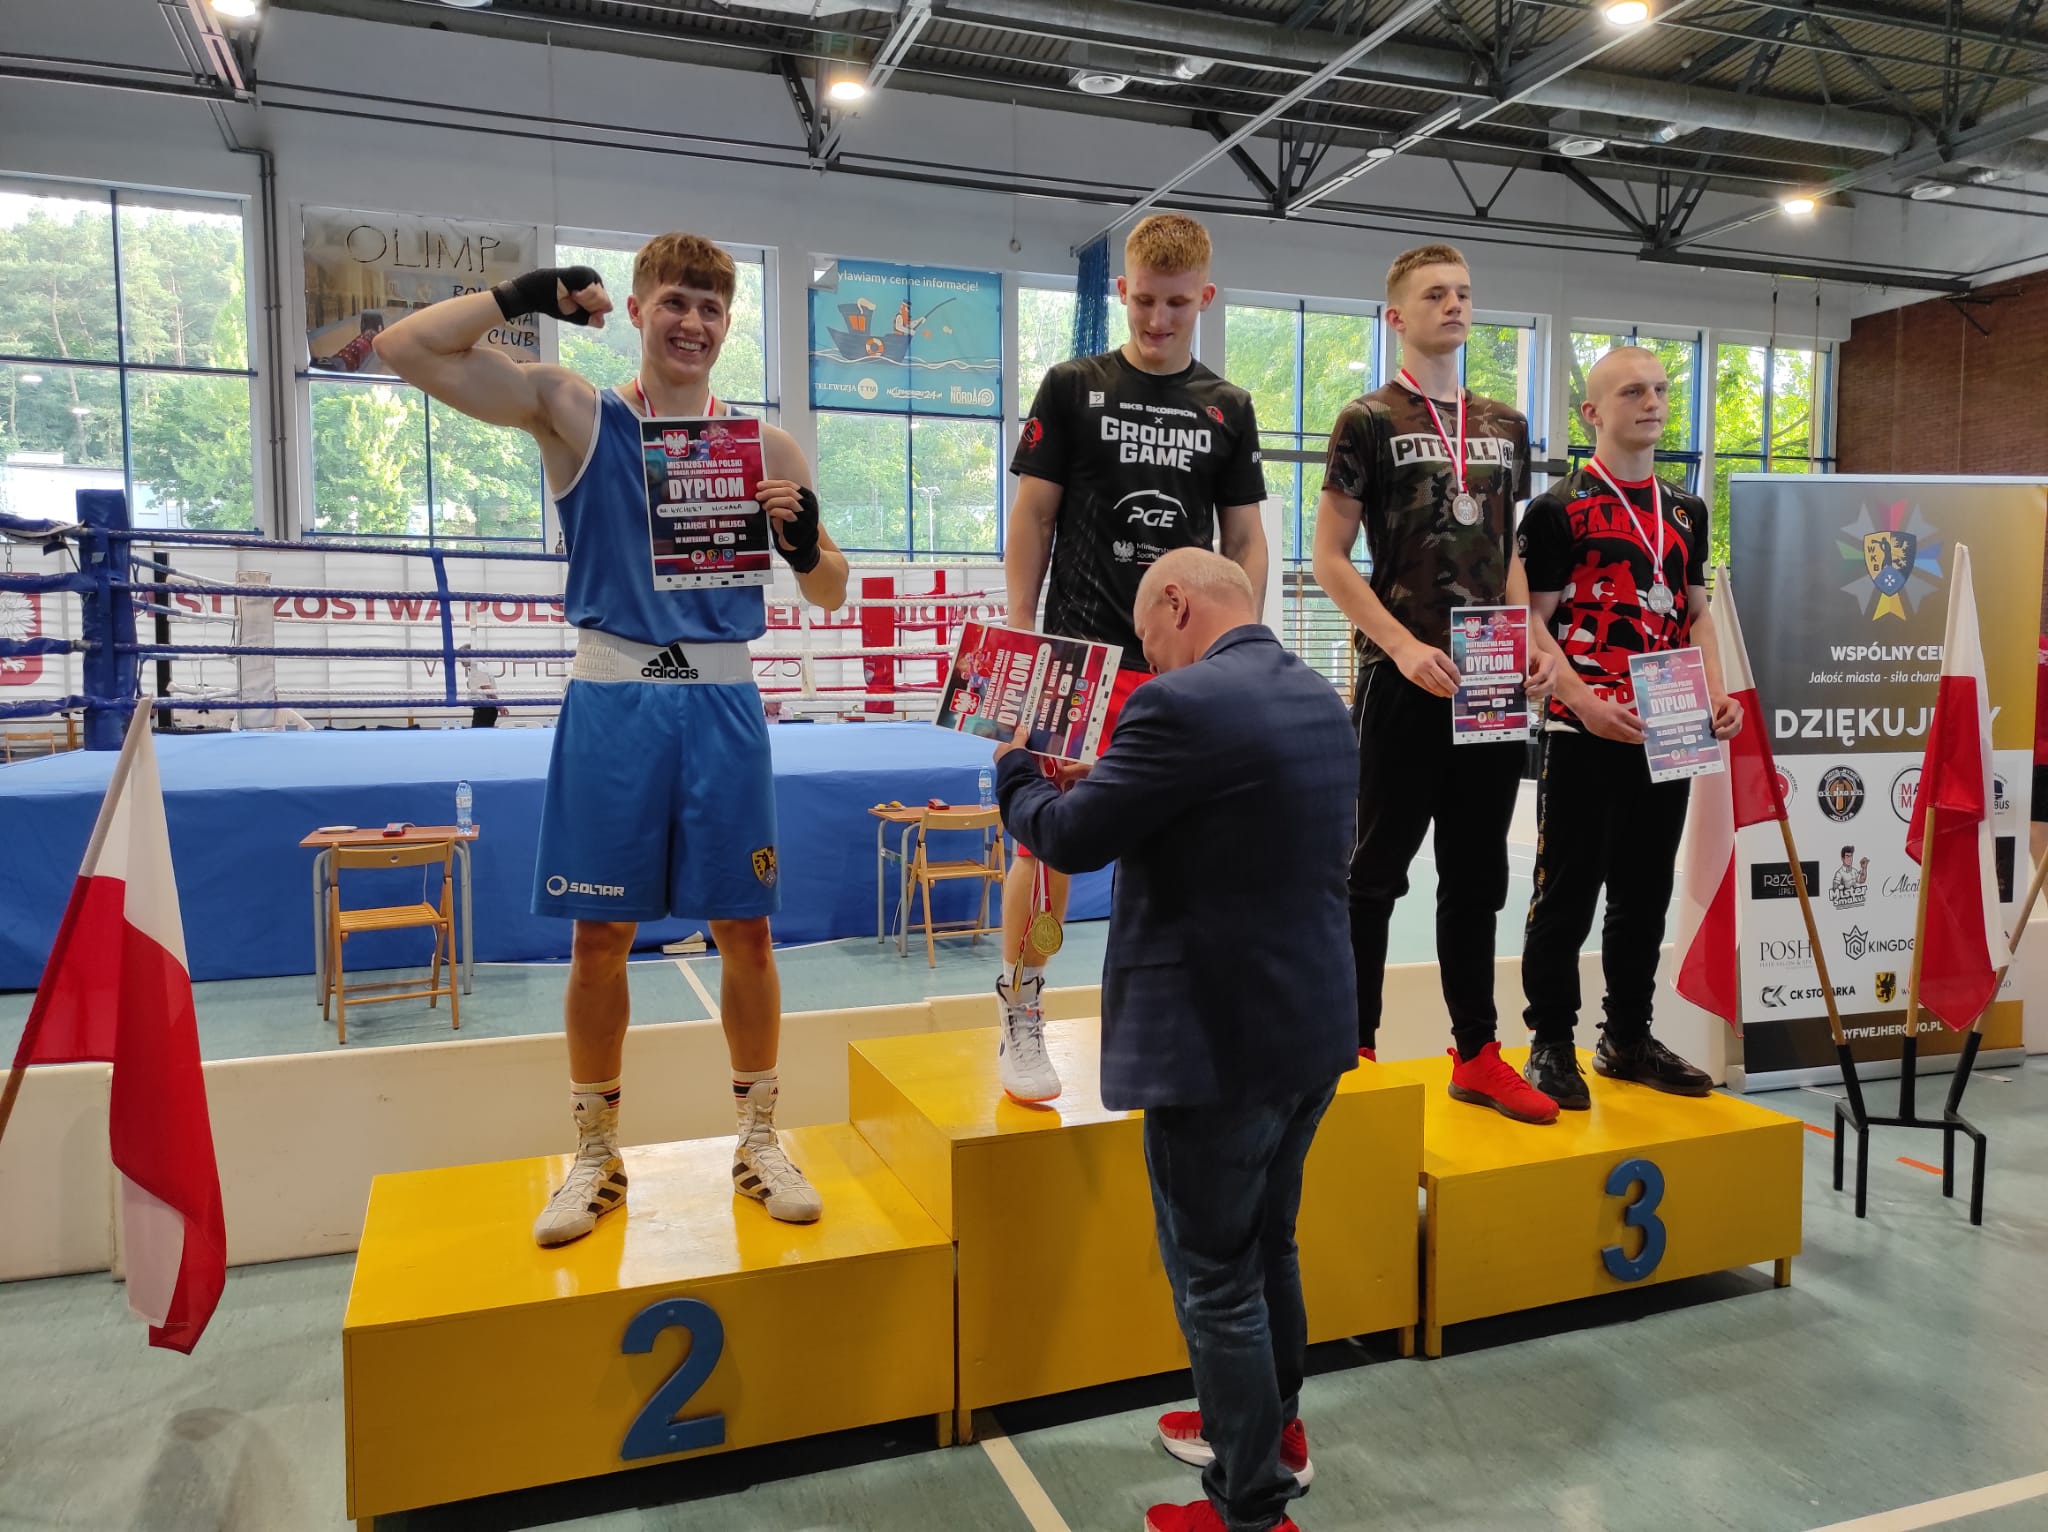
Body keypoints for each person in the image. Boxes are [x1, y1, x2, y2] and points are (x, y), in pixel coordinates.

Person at [376, 234, 849, 1244]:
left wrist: (805, 542)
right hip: (613, 699)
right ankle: (594, 1153)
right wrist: (518, 294)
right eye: (674, 301)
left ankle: (759, 1137)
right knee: (599, 938)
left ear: (728, 324)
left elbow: (828, 589)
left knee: (747, 931)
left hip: (722, 703)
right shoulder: (577, 409)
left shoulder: (764, 449)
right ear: (635, 309)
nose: (692, 323)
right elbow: (406, 349)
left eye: (711, 308)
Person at [996, 549, 1355, 1532]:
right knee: (1268, 1246)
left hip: (1216, 1045)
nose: (1144, 655)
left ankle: (1248, 1505)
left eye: (1147, 635)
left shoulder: (1176, 704)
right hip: (1312, 1024)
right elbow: (1231, 813)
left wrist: (1015, 766)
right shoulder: (1318, 696)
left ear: (1177, 601)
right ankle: (1274, 1435)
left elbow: (1068, 840)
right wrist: (1107, 778)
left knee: (1215, 1279)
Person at [1000, 212, 1269, 1104]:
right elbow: (1034, 516)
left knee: (1188, 846)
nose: (1159, 319)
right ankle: (1022, 1012)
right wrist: (1022, 630)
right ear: (1122, 291)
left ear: (1206, 298)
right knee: (1042, 845)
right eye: (1146, 301)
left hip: (1183, 666)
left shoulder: (1227, 406)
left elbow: (1245, 538)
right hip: (1077, 655)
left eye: (1177, 304)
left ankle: (1177, 1016)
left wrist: (1240, 645)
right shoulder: (1072, 386)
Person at [1310, 242, 1558, 1124]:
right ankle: (1351, 1048)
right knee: (1374, 871)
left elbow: (1510, 549)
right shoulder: (1366, 420)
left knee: (1477, 875)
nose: (1454, 305)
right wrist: (1401, 646)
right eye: (1434, 295)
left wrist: (1530, 635)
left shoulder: (1506, 425)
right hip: (1402, 677)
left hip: (1489, 679)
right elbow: (1330, 557)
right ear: (1397, 316)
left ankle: (1478, 1053)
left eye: (1463, 293)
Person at [1517, 346, 1740, 1106]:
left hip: (1669, 728)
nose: (1653, 403)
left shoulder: (1686, 509)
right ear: (1592, 413)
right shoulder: (1557, 509)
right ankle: (1551, 1043)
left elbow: (1696, 612)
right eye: (1633, 392)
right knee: (1566, 894)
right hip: (1585, 732)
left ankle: (1628, 1037)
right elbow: (1531, 621)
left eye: (1661, 390)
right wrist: (1584, 704)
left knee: (1644, 894)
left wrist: (1715, 689)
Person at [458, 643, 503, 729]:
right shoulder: (476, 668)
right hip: (484, 708)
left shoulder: (478, 669)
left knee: (479, 734)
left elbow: (487, 689)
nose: (461, 660)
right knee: (480, 733)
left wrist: (499, 705)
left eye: (462, 657)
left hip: (485, 709)